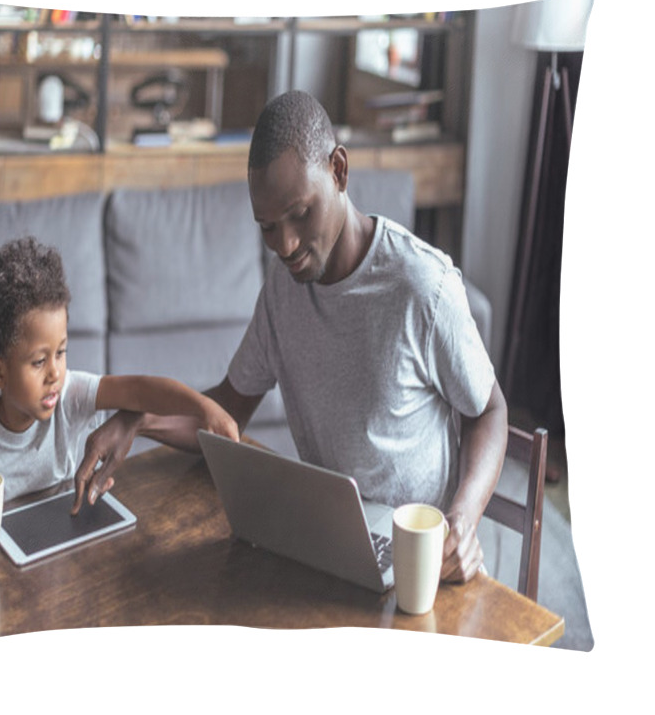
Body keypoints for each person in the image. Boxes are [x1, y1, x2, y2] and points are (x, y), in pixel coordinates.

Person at [73, 90, 508, 583]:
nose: (287, 245)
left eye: (300, 214)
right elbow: (227, 412)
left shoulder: (421, 289)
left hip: (422, 565)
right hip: (330, 546)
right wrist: (138, 418)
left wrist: (463, 519)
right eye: (267, 227)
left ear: (339, 171)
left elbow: (490, 410)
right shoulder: (284, 288)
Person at [0, 236, 239, 506]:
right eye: (39, 361)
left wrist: (204, 407)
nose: (55, 373)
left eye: (61, 353)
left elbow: (139, 391)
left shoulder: (69, 396)